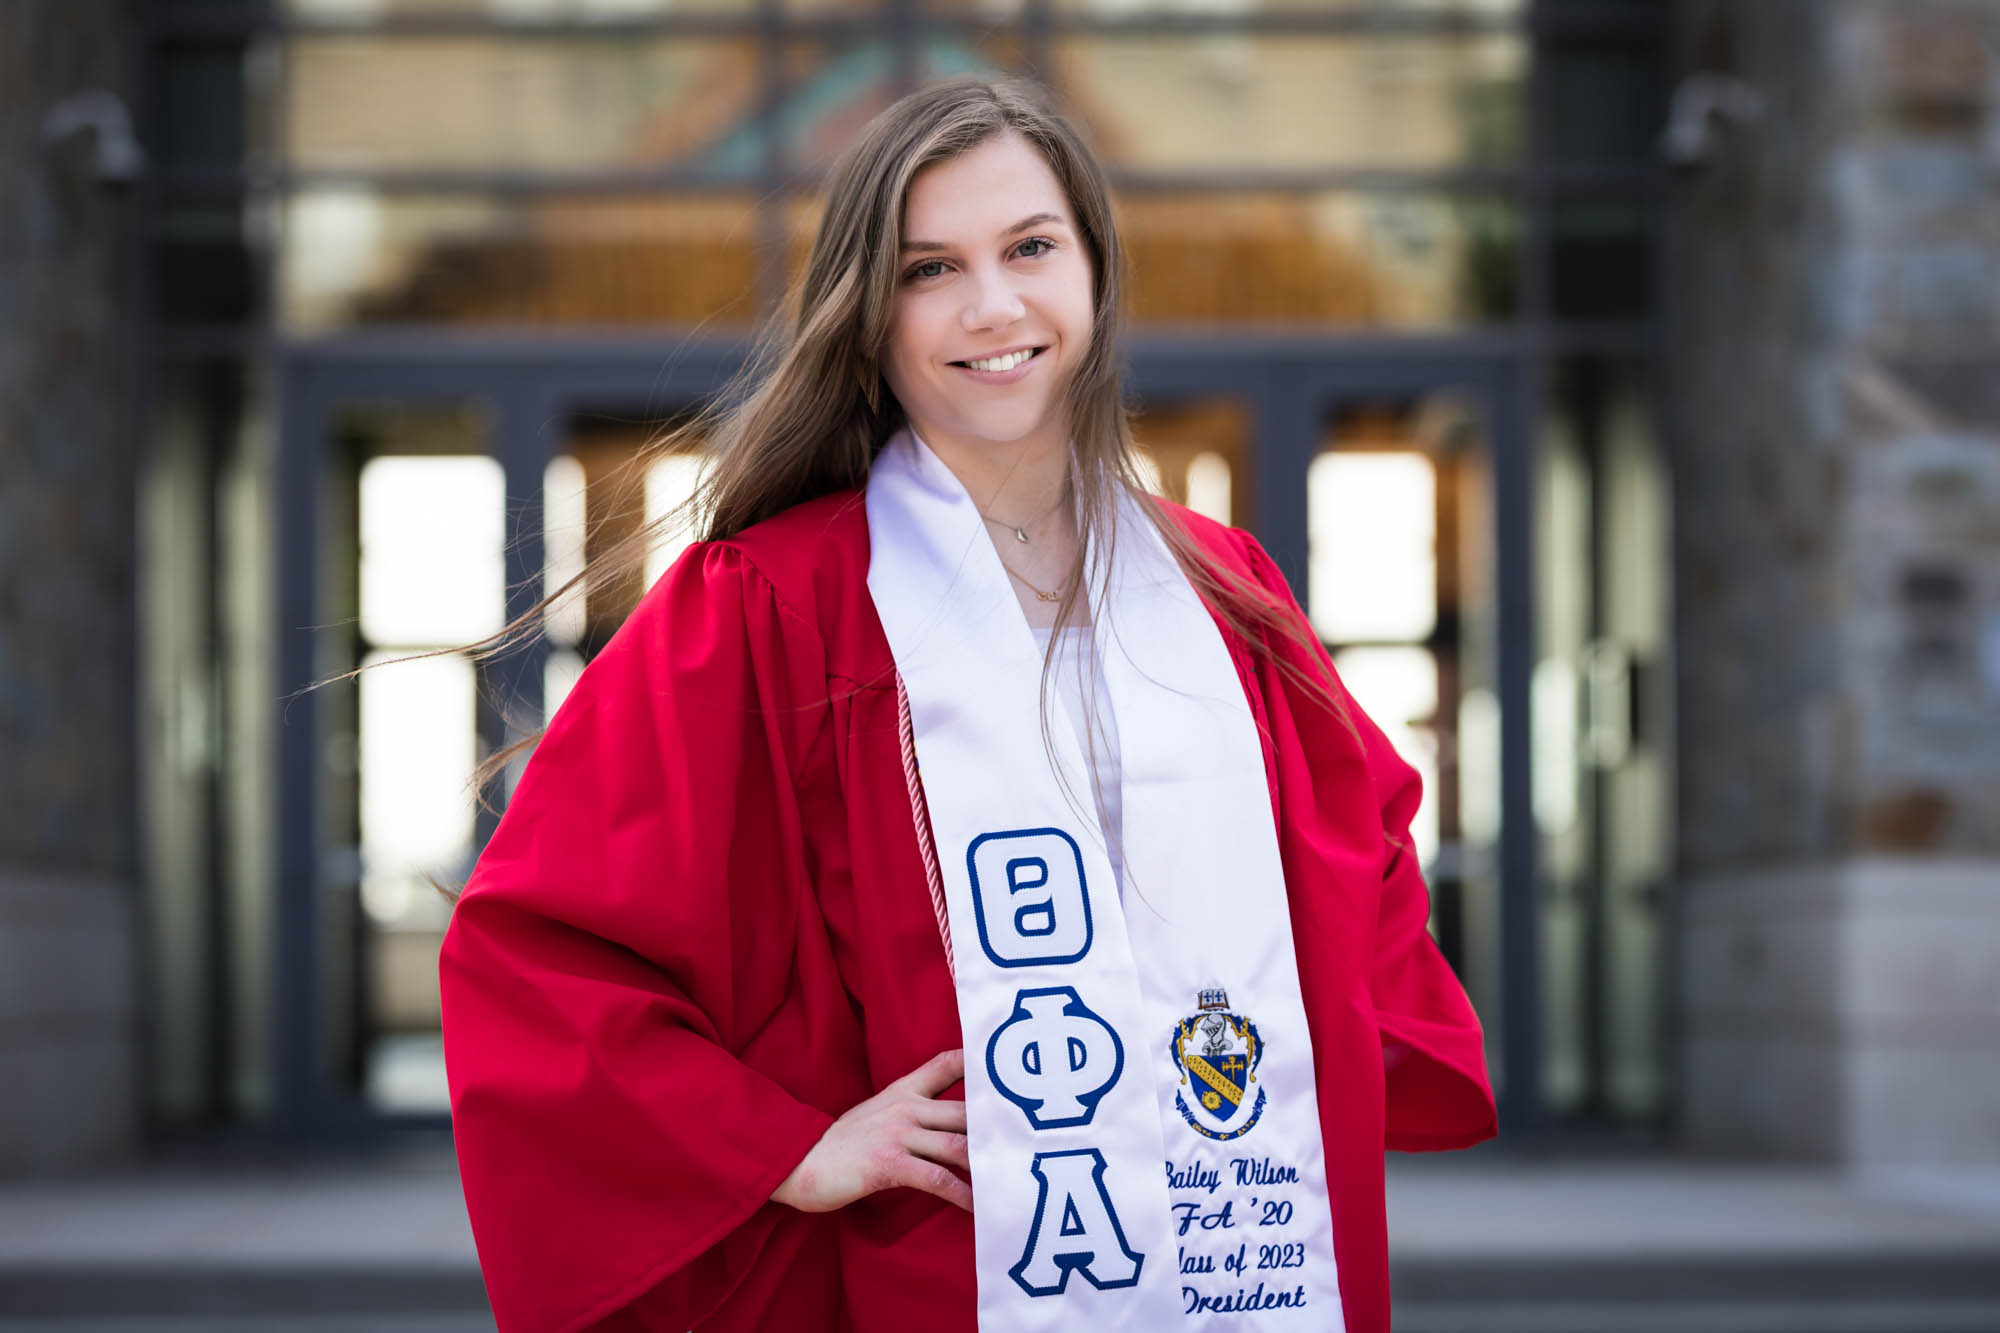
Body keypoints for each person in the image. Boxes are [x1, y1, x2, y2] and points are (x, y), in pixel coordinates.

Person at [437, 74, 1494, 1333]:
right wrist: (783, 1147)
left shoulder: (1221, 591)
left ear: (1094, 273)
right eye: (927, 268)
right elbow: (542, 947)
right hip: (941, 1268)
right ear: (867, 313)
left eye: (1030, 248)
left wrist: (1299, 1029)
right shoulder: (771, 606)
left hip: (1231, 1245)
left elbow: (1357, 842)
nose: (992, 306)